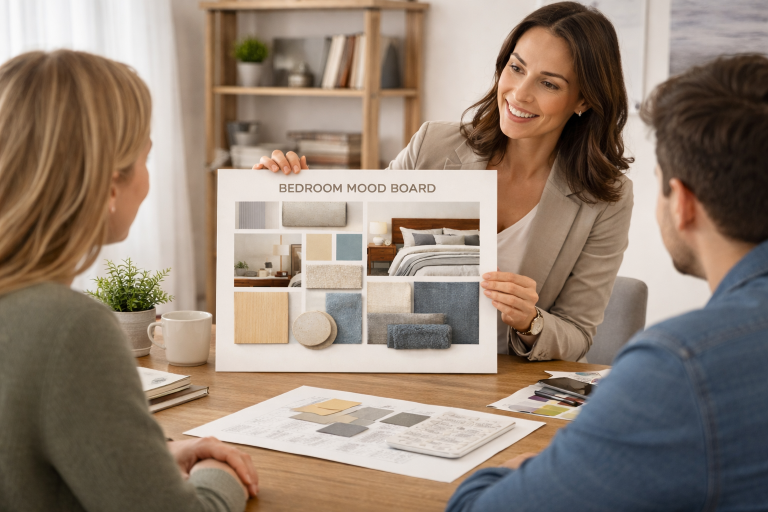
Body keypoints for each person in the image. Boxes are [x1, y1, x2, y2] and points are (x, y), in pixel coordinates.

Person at [446, 54, 768, 511]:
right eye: (515, 68)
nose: (520, 92)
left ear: (683, 204)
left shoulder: (680, 366)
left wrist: (515, 472)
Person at [255, 2, 634, 362]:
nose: (520, 94)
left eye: (548, 84)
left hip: (504, 379)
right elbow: (357, 226)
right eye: (516, 68)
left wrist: (531, 320)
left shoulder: (605, 198)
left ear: (583, 100)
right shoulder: (432, 145)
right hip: (400, 357)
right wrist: (279, 191)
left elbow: (578, 334)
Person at [0, 50, 258, 512]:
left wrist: (149, 459)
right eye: (145, 158)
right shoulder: (69, 328)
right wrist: (218, 474)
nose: (147, 180)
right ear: (109, 183)